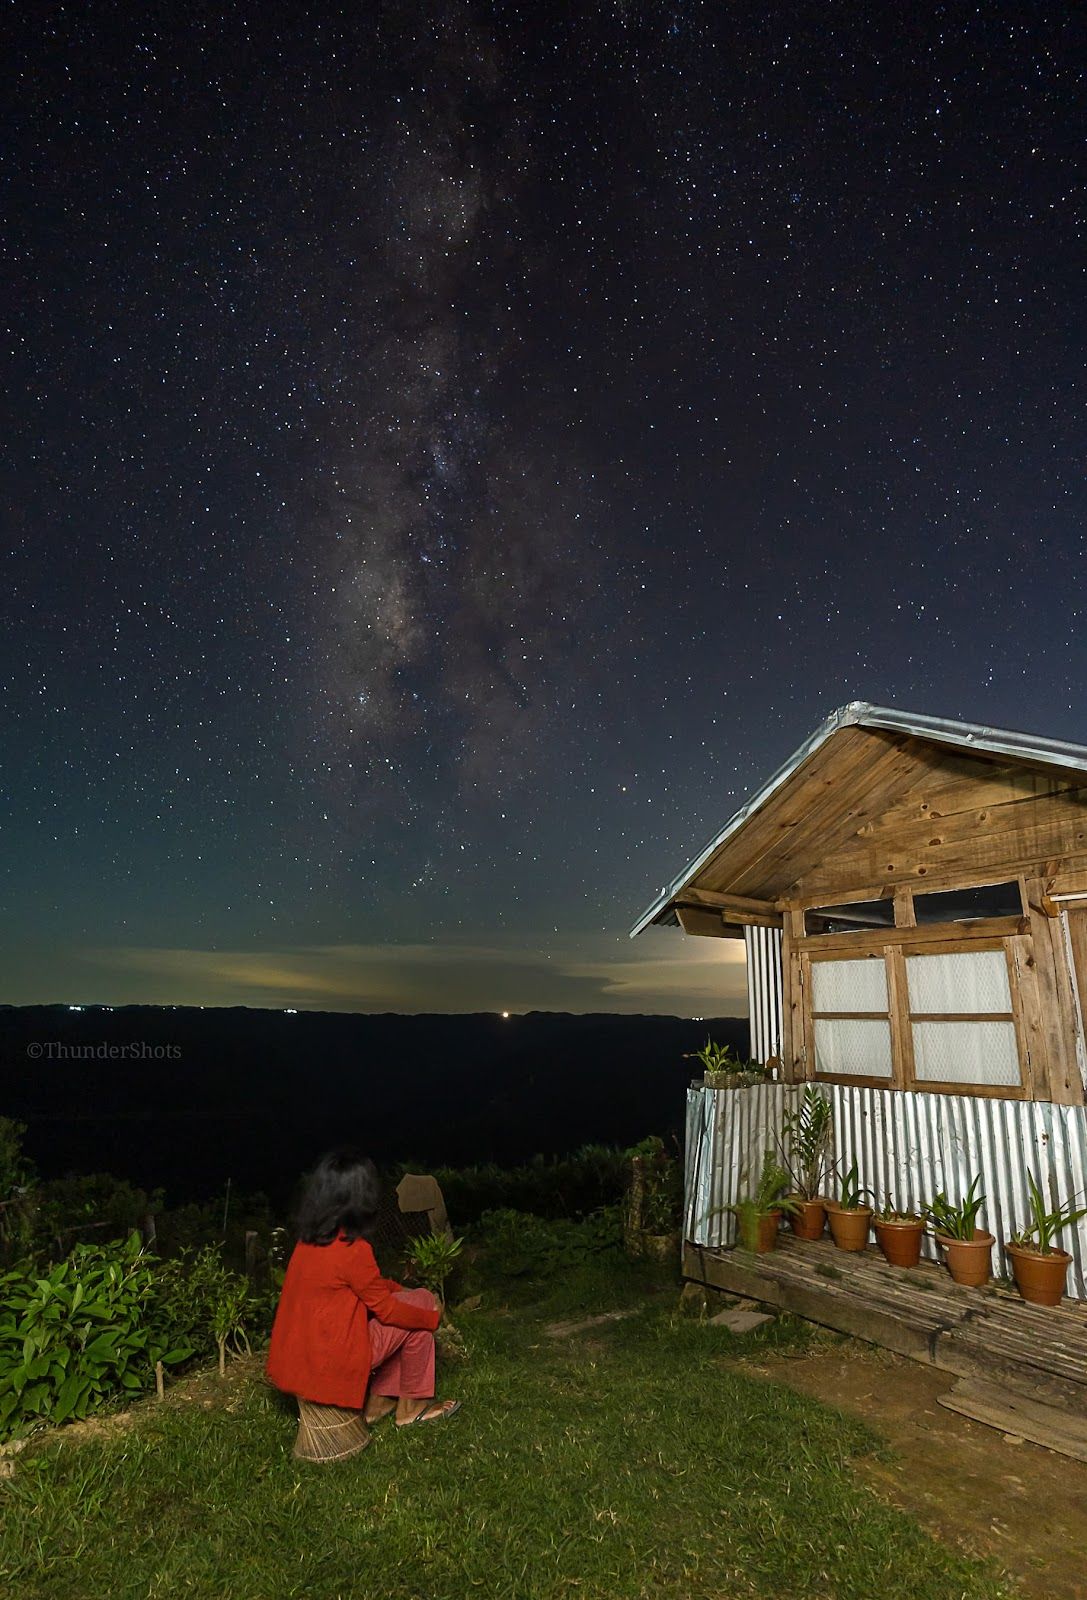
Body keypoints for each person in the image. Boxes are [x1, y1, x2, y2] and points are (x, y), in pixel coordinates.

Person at [266, 1148, 461, 1428]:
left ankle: (379, 1404)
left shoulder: (309, 1241)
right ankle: (410, 1408)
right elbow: (387, 1311)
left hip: (303, 1356)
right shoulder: (352, 1248)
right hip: (332, 1361)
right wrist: (433, 1317)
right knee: (422, 1308)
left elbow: (365, 1286)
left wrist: (400, 1289)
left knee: (416, 1308)